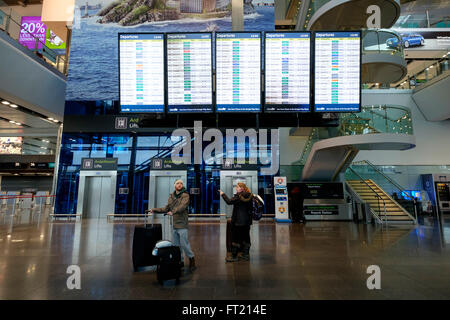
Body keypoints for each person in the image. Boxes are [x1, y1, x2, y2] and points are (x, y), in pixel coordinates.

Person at [149, 179, 196, 272]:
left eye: (181, 183)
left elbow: (182, 206)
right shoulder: (171, 196)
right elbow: (166, 208)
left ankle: (191, 258)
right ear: (175, 185)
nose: (179, 185)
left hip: (182, 223)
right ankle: (180, 261)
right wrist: (154, 209)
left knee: (184, 244)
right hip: (173, 224)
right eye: (177, 183)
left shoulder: (185, 195)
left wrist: (173, 212)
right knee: (176, 245)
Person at [219, 183, 253, 262]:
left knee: (236, 238)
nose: (236, 188)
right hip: (247, 221)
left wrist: (222, 194)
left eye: (237, 187)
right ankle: (246, 255)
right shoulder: (250, 196)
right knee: (246, 237)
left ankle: (234, 256)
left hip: (238, 221)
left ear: (241, 188)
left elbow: (228, 201)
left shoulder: (238, 197)